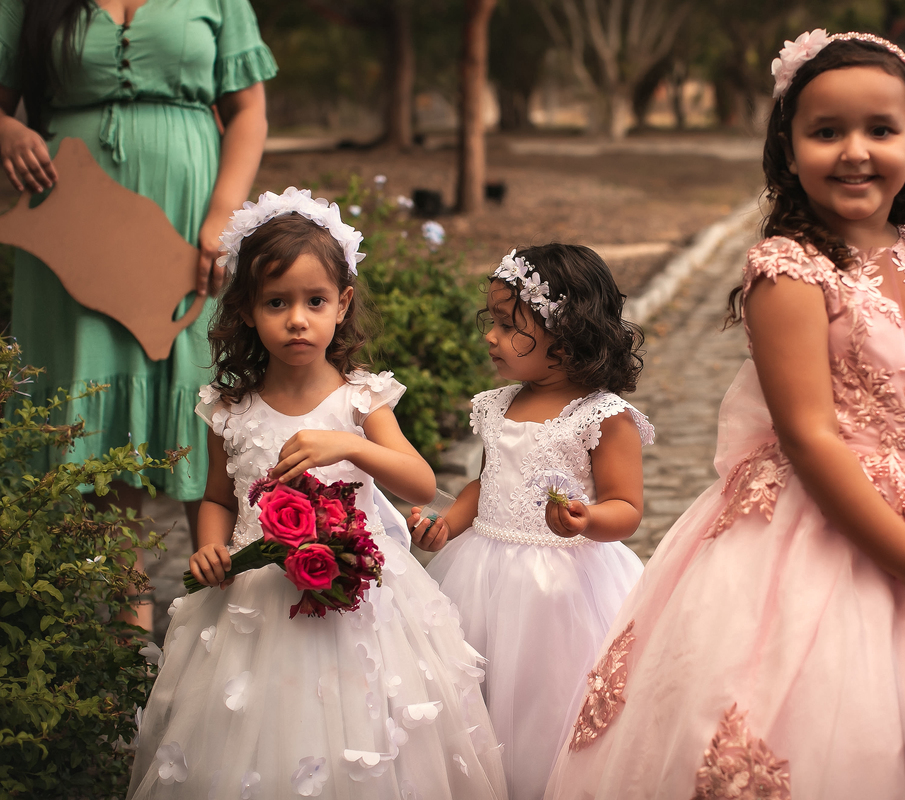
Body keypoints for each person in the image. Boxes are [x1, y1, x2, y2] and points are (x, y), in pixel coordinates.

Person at [544, 31, 905, 799]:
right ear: (789, 151)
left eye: (880, 130)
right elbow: (809, 437)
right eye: (827, 132)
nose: (855, 151)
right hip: (838, 530)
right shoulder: (789, 273)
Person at [126, 189, 506, 800]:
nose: (297, 319)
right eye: (276, 302)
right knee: (259, 734)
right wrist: (209, 546)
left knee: (362, 730)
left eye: (315, 301)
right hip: (256, 601)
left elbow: (420, 482)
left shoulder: (361, 400)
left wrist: (351, 446)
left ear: (343, 303)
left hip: (359, 600)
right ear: (247, 309)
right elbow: (219, 497)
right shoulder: (230, 409)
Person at [0, 0, 277, 629]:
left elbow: (248, 111)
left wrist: (222, 219)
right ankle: (130, 619)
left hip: (190, 222)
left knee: (205, 390)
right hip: (71, 223)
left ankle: (229, 607)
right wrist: (7, 130)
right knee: (99, 403)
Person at [408, 244, 653, 800]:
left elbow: (627, 507)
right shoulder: (497, 405)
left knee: (547, 698)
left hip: (562, 590)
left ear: (564, 334)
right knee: (481, 690)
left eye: (507, 325)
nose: (490, 338)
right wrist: (449, 524)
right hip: (482, 574)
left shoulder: (601, 416)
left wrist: (588, 518)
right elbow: (485, 482)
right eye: (491, 322)